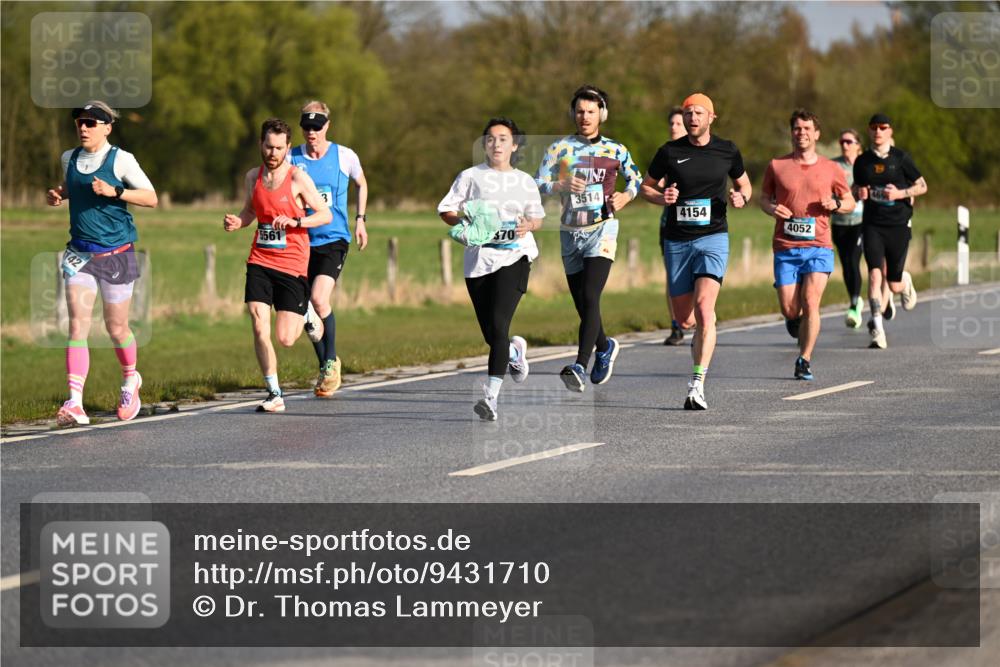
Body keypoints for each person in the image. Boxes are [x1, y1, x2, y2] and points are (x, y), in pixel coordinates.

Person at [46, 101, 158, 426]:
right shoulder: (69, 158)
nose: (83, 127)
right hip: (78, 252)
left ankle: (130, 380)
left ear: (107, 127)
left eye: (91, 123)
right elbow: (75, 187)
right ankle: (75, 402)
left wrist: (116, 190)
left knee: (116, 327)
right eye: (80, 122)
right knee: (77, 324)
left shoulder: (121, 160)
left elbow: (151, 197)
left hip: (117, 254)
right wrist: (60, 194)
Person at [639, 93, 752, 410]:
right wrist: (663, 196)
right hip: (678, 240)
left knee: (704, 308)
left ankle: (697, 383)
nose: (692, 118)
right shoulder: (670, 151)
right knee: (685, 319)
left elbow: (745, 185)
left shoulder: (727, 150)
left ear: (711, 118)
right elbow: (646, 187)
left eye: (698, 113)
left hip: (713, 237)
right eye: (688, 113)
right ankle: (703, 327)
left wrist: (741, 198)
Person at [535, 85, 642, 392]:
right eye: (580, 111)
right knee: (583, 303)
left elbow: (635, 177)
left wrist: (626, 196)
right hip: (570, 233)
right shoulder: (559, 149)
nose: (585, 117)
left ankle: (580, 365)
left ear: (601, 115)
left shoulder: (615, 149)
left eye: (591, 112)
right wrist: (559, 184)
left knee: (591, 296)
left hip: (602, 229)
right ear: (573, 114)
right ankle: (605, 345)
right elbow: (537, 183)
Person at [438, 117, 544, 420]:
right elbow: (446, 209)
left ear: (514, 145)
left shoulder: (524, 181)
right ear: (484, 144)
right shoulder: (470, 176)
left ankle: (491, 398)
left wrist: (528, 224)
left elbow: (537, 217)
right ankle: (513, 352)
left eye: (502, 139)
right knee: (492, 334)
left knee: (498, 326)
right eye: (490, 139)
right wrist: (465, 223)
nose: (496, 144)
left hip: (515, 257)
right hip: (479, 261)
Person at [224, 118, 332, 412]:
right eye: (269, 147)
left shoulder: (298, 178)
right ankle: (274, 393)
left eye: (279, 148)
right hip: (260, 257)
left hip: (292, 263)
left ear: (287, 149)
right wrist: (238, 221)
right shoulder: (252, 177)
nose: (273, 153)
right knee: (259, 324)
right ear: (261, 145)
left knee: (285, 338)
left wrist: (297, 221)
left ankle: (307, 313)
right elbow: (249, 211)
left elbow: (324, 215)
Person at [760, 109, 854, 381]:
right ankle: (794, 318)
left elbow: (849, 202)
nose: (802, 133)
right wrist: (772, 209)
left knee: (811, 301)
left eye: (807, 129)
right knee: (791, 310)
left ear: (816, 134)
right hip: (786, 247)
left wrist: (836, 204)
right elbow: (764, 198)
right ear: (792, 133)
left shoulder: (831, 168)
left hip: (819, 246)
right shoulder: (777, 165)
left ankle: (805, 359)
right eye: (797, 129)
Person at [289, 101, 369, 398]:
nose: (312, 132)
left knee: (319, 299)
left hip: (333, 239)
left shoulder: (345, 156)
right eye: (306, 126)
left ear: (327, 125)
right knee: (304, 310)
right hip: (299, 242)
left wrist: (360, 220)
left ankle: (330, 361)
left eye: (317, 125)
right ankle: (327, 364)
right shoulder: (290, 157)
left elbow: (362, 184)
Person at [853, 113, 927, 349]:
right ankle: (877, 329)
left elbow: (922, 186)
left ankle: (904, 281)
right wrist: (859, 193)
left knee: (893, 284)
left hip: (898, 224)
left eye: (882, 127)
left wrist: (899, 194)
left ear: (890, 131)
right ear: (869, 131)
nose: (878, 131)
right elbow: (856, 188)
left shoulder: (900, 158)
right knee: (875, 275)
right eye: (873, 127)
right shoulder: (862, 161)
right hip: (872, 225)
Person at [831, 128, 866, 328]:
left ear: (857, 145)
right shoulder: (834, 165)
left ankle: (854, 303)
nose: (845, 145)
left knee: (854, 259)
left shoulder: (864, 164)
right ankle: (855, 298)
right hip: (839, 222)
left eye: (849, 141)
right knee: (845, 263)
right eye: (842, 141)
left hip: (860, 222)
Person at [661, 106, 689, 346]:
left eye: (678, 123)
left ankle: (699, 318)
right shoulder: (667, 153)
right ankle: (675, 325)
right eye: (671, 123)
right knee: (673, 276)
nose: (674, 127)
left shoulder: (701, 152)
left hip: (701, 227)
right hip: (670, 224)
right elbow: (653, 182)